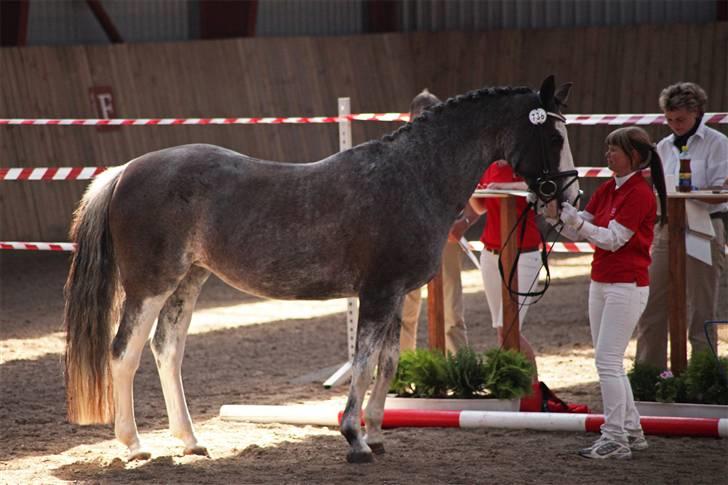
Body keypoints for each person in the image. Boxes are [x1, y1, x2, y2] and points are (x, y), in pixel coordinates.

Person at [556, 126, 667, 459]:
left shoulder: (640, 194)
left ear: (633, 156)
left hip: (626, 284)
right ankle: (631, 431)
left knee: (607, 361)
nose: (607, 155)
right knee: (610, 362)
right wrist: (560, 215)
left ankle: (615, 436)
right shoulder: (607, 188)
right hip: (602, 280)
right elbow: (583, 228)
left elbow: (612, 239)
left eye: (613, 150)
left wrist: (575, 223)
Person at [635, 82, 728, 369]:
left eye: (681, 119)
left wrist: (691, 193)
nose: (675, 125)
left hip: (704, 226)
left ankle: (704, 374)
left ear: (697, 113)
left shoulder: (718, 144)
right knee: (651, 302)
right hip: (667, 226)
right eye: (670, 119)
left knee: (702, 306)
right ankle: (649, 373)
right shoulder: (662, 147)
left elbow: (721, 192)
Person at [449, 160, 542, 382]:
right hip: (491, 251)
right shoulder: (488, 165)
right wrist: (472, 190)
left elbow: (541, 192)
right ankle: (517, 386)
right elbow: (481, 206)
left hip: (523, 252)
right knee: (503, 329)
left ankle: (530, 388)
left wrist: (508, 188)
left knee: (509, 329)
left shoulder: (526, 162)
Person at [400, 89, 468, 354]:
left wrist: (462, 221)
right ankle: (403, 373)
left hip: (444, 235)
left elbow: (469, 195)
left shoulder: (454, 153)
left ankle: (460, 370)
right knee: (406, 309)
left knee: (452, 309)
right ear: (411, 120)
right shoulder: (400, 151)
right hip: (409, 239)